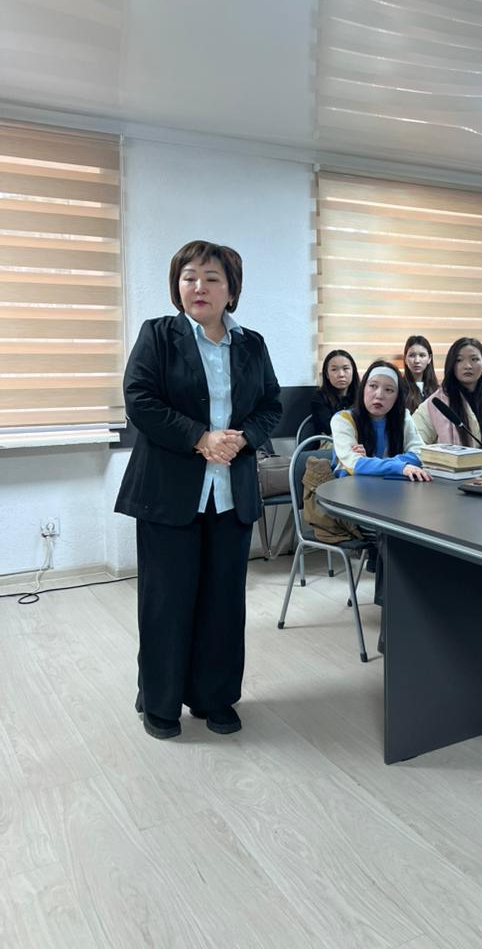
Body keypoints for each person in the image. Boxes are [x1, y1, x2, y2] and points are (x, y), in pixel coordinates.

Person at [115, 241, 282, 740]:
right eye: (189, 277)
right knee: (166, 602)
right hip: (169, 493)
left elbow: (271, 405)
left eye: (211, 278)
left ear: (231, 290)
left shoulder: (251, 344)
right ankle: (160, 701)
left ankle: (216, 698)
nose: (198, 286)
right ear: (177, 286)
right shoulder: (158, 335)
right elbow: (139, 399)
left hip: (231, 494)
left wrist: (241, 439)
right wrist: (199, 438)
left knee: (223, 602)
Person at [413, 337, 482, 461]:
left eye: (474, 359)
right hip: (452, 471)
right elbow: (416, 444)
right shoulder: (436, 404)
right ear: (451, 365)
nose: (467, 366)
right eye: (459, 360)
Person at [331, 361, 430, 479]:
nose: (379, 395)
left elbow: (420, 453)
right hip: (350, 486)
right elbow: (354, 463)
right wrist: (399, 466)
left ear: (397, 397)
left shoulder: (403, 417)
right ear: (363, 388)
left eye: (388, 390)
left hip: (394, 486)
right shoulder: (343, 420)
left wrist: (371, 463)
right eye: (373, 386)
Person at [310, 349, 360, 436]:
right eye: (334, 369)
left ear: (353, 371)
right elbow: (330, 428)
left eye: (346, 368)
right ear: (327, 374)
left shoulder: (362, 395)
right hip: (331, 442)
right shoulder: (319, 398)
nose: (341, 374)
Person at [402, 334, 439, 414]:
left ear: (429, 358)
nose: (417, 360)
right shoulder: (399, 388)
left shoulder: (437, 390)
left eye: (422, 355)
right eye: (412, 355)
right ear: (405, 359)